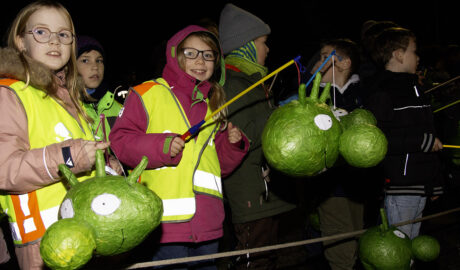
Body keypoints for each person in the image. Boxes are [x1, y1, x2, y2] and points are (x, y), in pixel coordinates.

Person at [109, 25, 248, 269]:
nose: (200, 61)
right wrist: (160, 146)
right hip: (162, 223)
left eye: (208, 55)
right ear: (175, 55)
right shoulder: (148, 93)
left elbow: (218, 169)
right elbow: (120, 141)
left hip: (208, 222)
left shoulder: (213, 106)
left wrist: (231, 146)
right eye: (191, 53)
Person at [0, 1, 122, 269]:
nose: (54, 41)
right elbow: (4, 169)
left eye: (64, 34)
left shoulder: (69, 98)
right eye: (42, 32)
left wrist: (109, 170)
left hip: (88, 231)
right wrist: (70, 156)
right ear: (21, 42)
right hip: (44, 240)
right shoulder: (9, 93)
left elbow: (86, 159)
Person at [218, 4, 296, 269]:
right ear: (246, 46)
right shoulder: (231, 85)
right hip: (250, 197)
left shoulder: (255, 83)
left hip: (270, 194)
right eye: (263, 43)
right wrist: (276, 116)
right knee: (255, 262)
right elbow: (242, 138)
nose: (268, 49)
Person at [364, 27, 444, 239]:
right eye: (414, 51)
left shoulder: (416, 89)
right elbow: (378, 141)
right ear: (399, 55)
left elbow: (428, 132)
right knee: (398, 249)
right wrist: (420, 141)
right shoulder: (383, 91)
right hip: (401, 187)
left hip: (420, 186)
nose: (418, 57)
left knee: (411, 248)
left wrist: (434, 183)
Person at [76, 35, 123, 144]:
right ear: (72, 65)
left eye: (99, 60)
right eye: (85, 60)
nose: (95, 67)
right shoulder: (66, 107)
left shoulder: (119, 110)